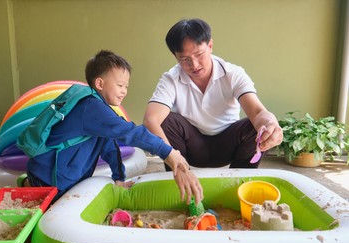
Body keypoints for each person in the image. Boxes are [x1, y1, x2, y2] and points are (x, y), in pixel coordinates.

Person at [25, 50, 203, 204]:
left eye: (126, 86)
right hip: (49, 177)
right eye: (120, 85)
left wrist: (119, 177)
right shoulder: (91, 107)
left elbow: (109, 146)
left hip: (59, 176)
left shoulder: (98, 114)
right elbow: (130, 132)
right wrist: (167, 151)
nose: (124, 91)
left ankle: (30, 184)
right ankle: (29, 187)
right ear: (100, 84)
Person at [143, 18, 283, 174]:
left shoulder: (233, 74)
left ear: (210, 46)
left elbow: (257, 112)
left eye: (199, 54)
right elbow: (151, 119)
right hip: (189, 148)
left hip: (227, 144)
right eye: (185, 59)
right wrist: (170, 155)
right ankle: (179, 175)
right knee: (167, 121)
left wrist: (271, 124)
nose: (194, 65)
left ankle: (241, 181)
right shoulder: (171, 79)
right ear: (176, 57)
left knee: (255, 127)